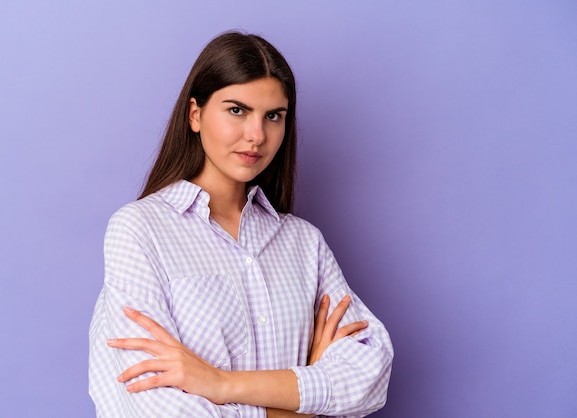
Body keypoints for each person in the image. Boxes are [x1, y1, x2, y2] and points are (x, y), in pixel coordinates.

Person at [89, 31, 393, 417]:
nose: (257, 136)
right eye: (237, 110)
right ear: (195, 115)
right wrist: (305, 401)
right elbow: (152, 407)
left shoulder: (304, 243)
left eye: (273, 116)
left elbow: (370, 374)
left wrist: (220, 383)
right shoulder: (140, 230)